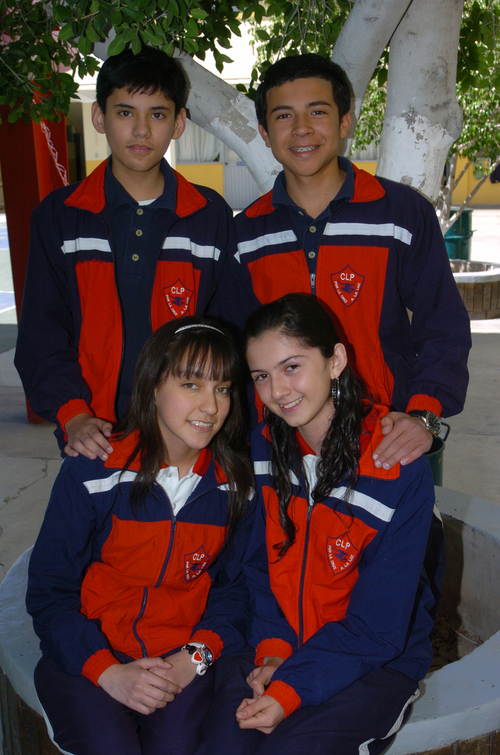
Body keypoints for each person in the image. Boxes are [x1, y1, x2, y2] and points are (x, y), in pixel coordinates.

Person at [196, 294, 444, 755]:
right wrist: (274, 650)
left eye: (292, 367)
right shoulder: (265, 447)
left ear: (336, 361)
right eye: (261, 376)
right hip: (275, 643)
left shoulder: (394, 464)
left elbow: (379, 627)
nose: (278, 391)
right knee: (223, 742)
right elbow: (257, 566)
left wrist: (291, 687)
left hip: (372, 663)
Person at [26, 317, 254, 755]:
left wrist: (196, 656)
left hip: (181, 658)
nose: (211, 406)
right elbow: (49, 592)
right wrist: (106, 671)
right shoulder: (95, 470)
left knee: (179, 746)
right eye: (191, 384)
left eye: (223, 388)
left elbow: (239, 589)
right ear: (152, 386)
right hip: (90, 654)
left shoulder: (237, 486)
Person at [232, 53, 472, 470]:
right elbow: (233, 349)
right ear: (265, 133)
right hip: (280, 447)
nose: (302, 128)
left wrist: (424, 415)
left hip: (386, 439)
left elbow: (442, 325)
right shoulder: (246, 234)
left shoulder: (401, 214)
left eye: (318, 111)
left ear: (345, 122)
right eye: (284, 115)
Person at [15, 45, 237, 461]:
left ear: (179, 123)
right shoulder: (60, 216)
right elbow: (41, 335)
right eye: (124, 112)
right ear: (99, 117)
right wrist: (73, 414)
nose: (141, 130)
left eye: (158, 115)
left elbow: (230, 331)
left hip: (190, 437)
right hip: (93, 437)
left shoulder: (209, 215)